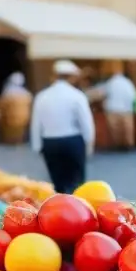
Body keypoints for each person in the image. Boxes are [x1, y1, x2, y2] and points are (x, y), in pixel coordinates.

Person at [29, 60, 95, 194]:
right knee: (77, 184)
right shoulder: (77, 96)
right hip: (73, 142)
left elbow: (36, 124)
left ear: (54, 76)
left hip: (50, 143)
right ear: (72, 77)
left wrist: (37, 146)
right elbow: (86, 124)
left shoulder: (42, 96)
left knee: (57, 183)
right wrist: (89, 144)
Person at [103, 67, 136, 150]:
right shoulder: (128, 83)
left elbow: (104, 93)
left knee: (115, 129)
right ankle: (129, 145)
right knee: (127, 130)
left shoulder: (110, 82)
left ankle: (117, 145)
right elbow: (133, 96)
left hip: (113, 109)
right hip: (126, 109)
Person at [0, 72, 33, 145]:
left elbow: (0, 108)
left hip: (9, 123)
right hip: (23, 123)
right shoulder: (27, 95)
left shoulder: (7, 94)